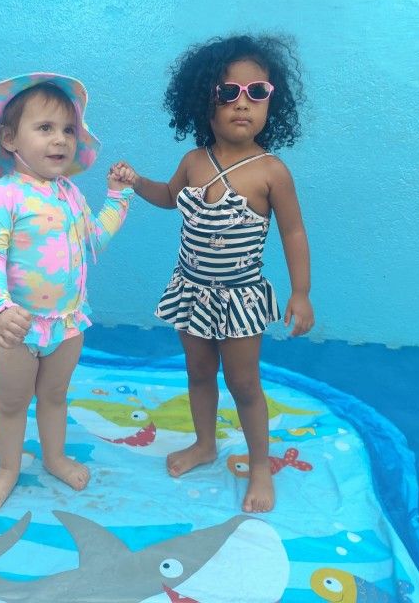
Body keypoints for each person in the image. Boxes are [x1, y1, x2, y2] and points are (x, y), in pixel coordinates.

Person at [110, 34, 314, 513]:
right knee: (199, 372)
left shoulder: (271, 172)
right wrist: (136, 182)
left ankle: (260, 466)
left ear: (272, 102)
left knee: (243, 383)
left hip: (239, 299)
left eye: (256, 92)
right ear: (203, 100)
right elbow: (168, 197)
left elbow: (294, 233)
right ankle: (204, 444)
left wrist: (301, 292)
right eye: (228, 92)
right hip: (192, 292)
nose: (242, 103)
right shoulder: (193, 162)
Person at [0, 72, 132, 510]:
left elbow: (93, 240)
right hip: (16, 327)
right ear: (10, 138)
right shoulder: (4, 197)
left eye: (68, 129)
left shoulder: (72, 194)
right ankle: (7, 468)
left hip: (67, 321)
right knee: (12, 403)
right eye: (45, 128)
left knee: (55, 395)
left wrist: (118, 197)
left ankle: (55, 457)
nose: (60, 139)